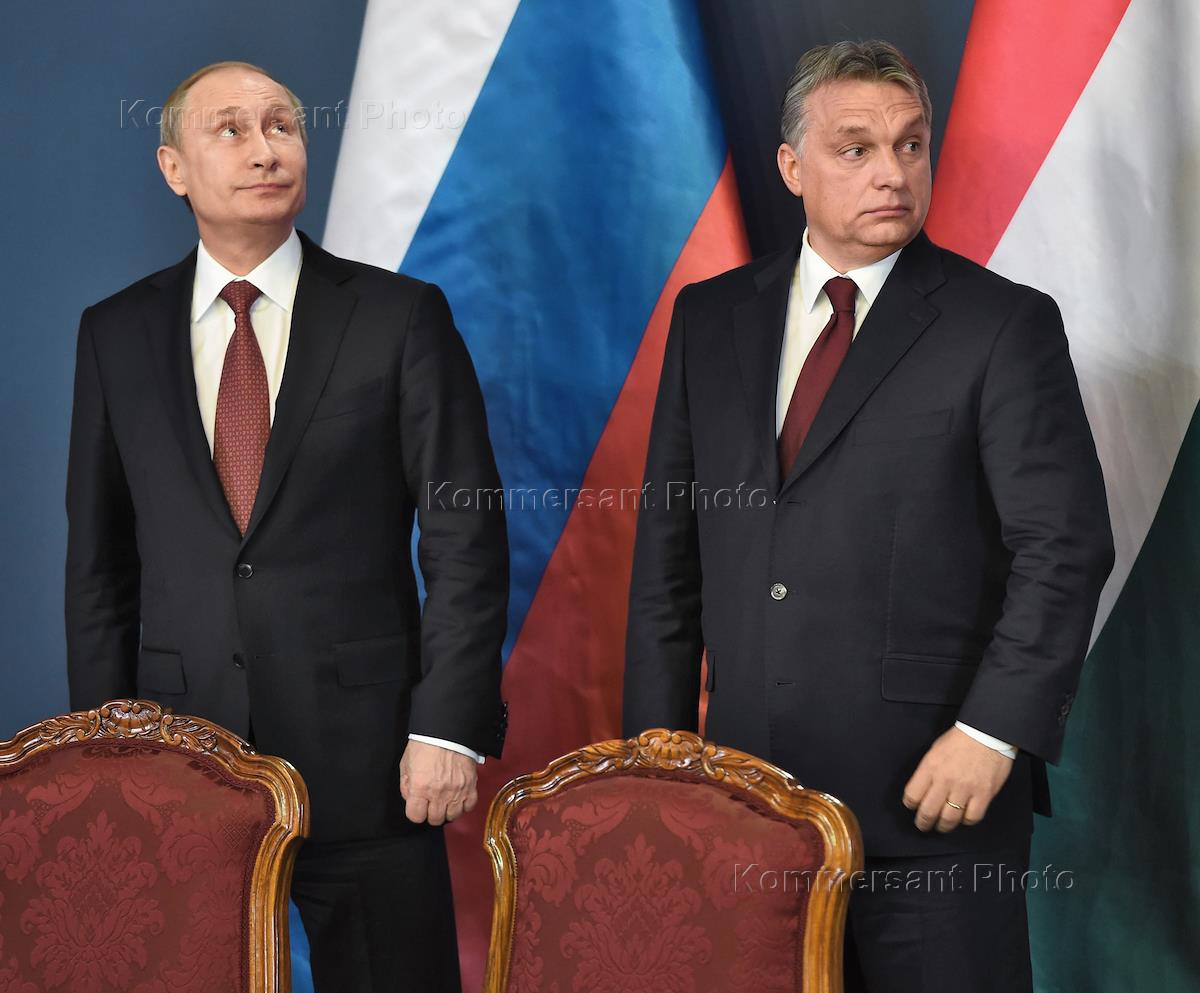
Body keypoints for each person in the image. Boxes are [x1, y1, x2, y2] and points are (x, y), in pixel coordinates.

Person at [623, 40, 1113, 993]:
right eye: (856, 149)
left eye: (911, 145)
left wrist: (992, 733)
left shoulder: (1003, 324)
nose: (892, 172)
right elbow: (668, 562)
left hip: (933, 806)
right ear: (792, 167)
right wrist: (656, 763)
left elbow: (1065, 547)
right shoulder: (709, 319)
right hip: (740, 807)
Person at [65, 61, 508, 992]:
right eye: (230, 130)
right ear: (173, 168)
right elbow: (100, 565)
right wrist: (107, 751)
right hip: (182, 762)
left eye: (282, 126)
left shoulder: (399, 317)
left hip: (376, 761)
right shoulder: (114, 333)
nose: (266, 149)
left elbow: (465, 540)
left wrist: (448, 727)